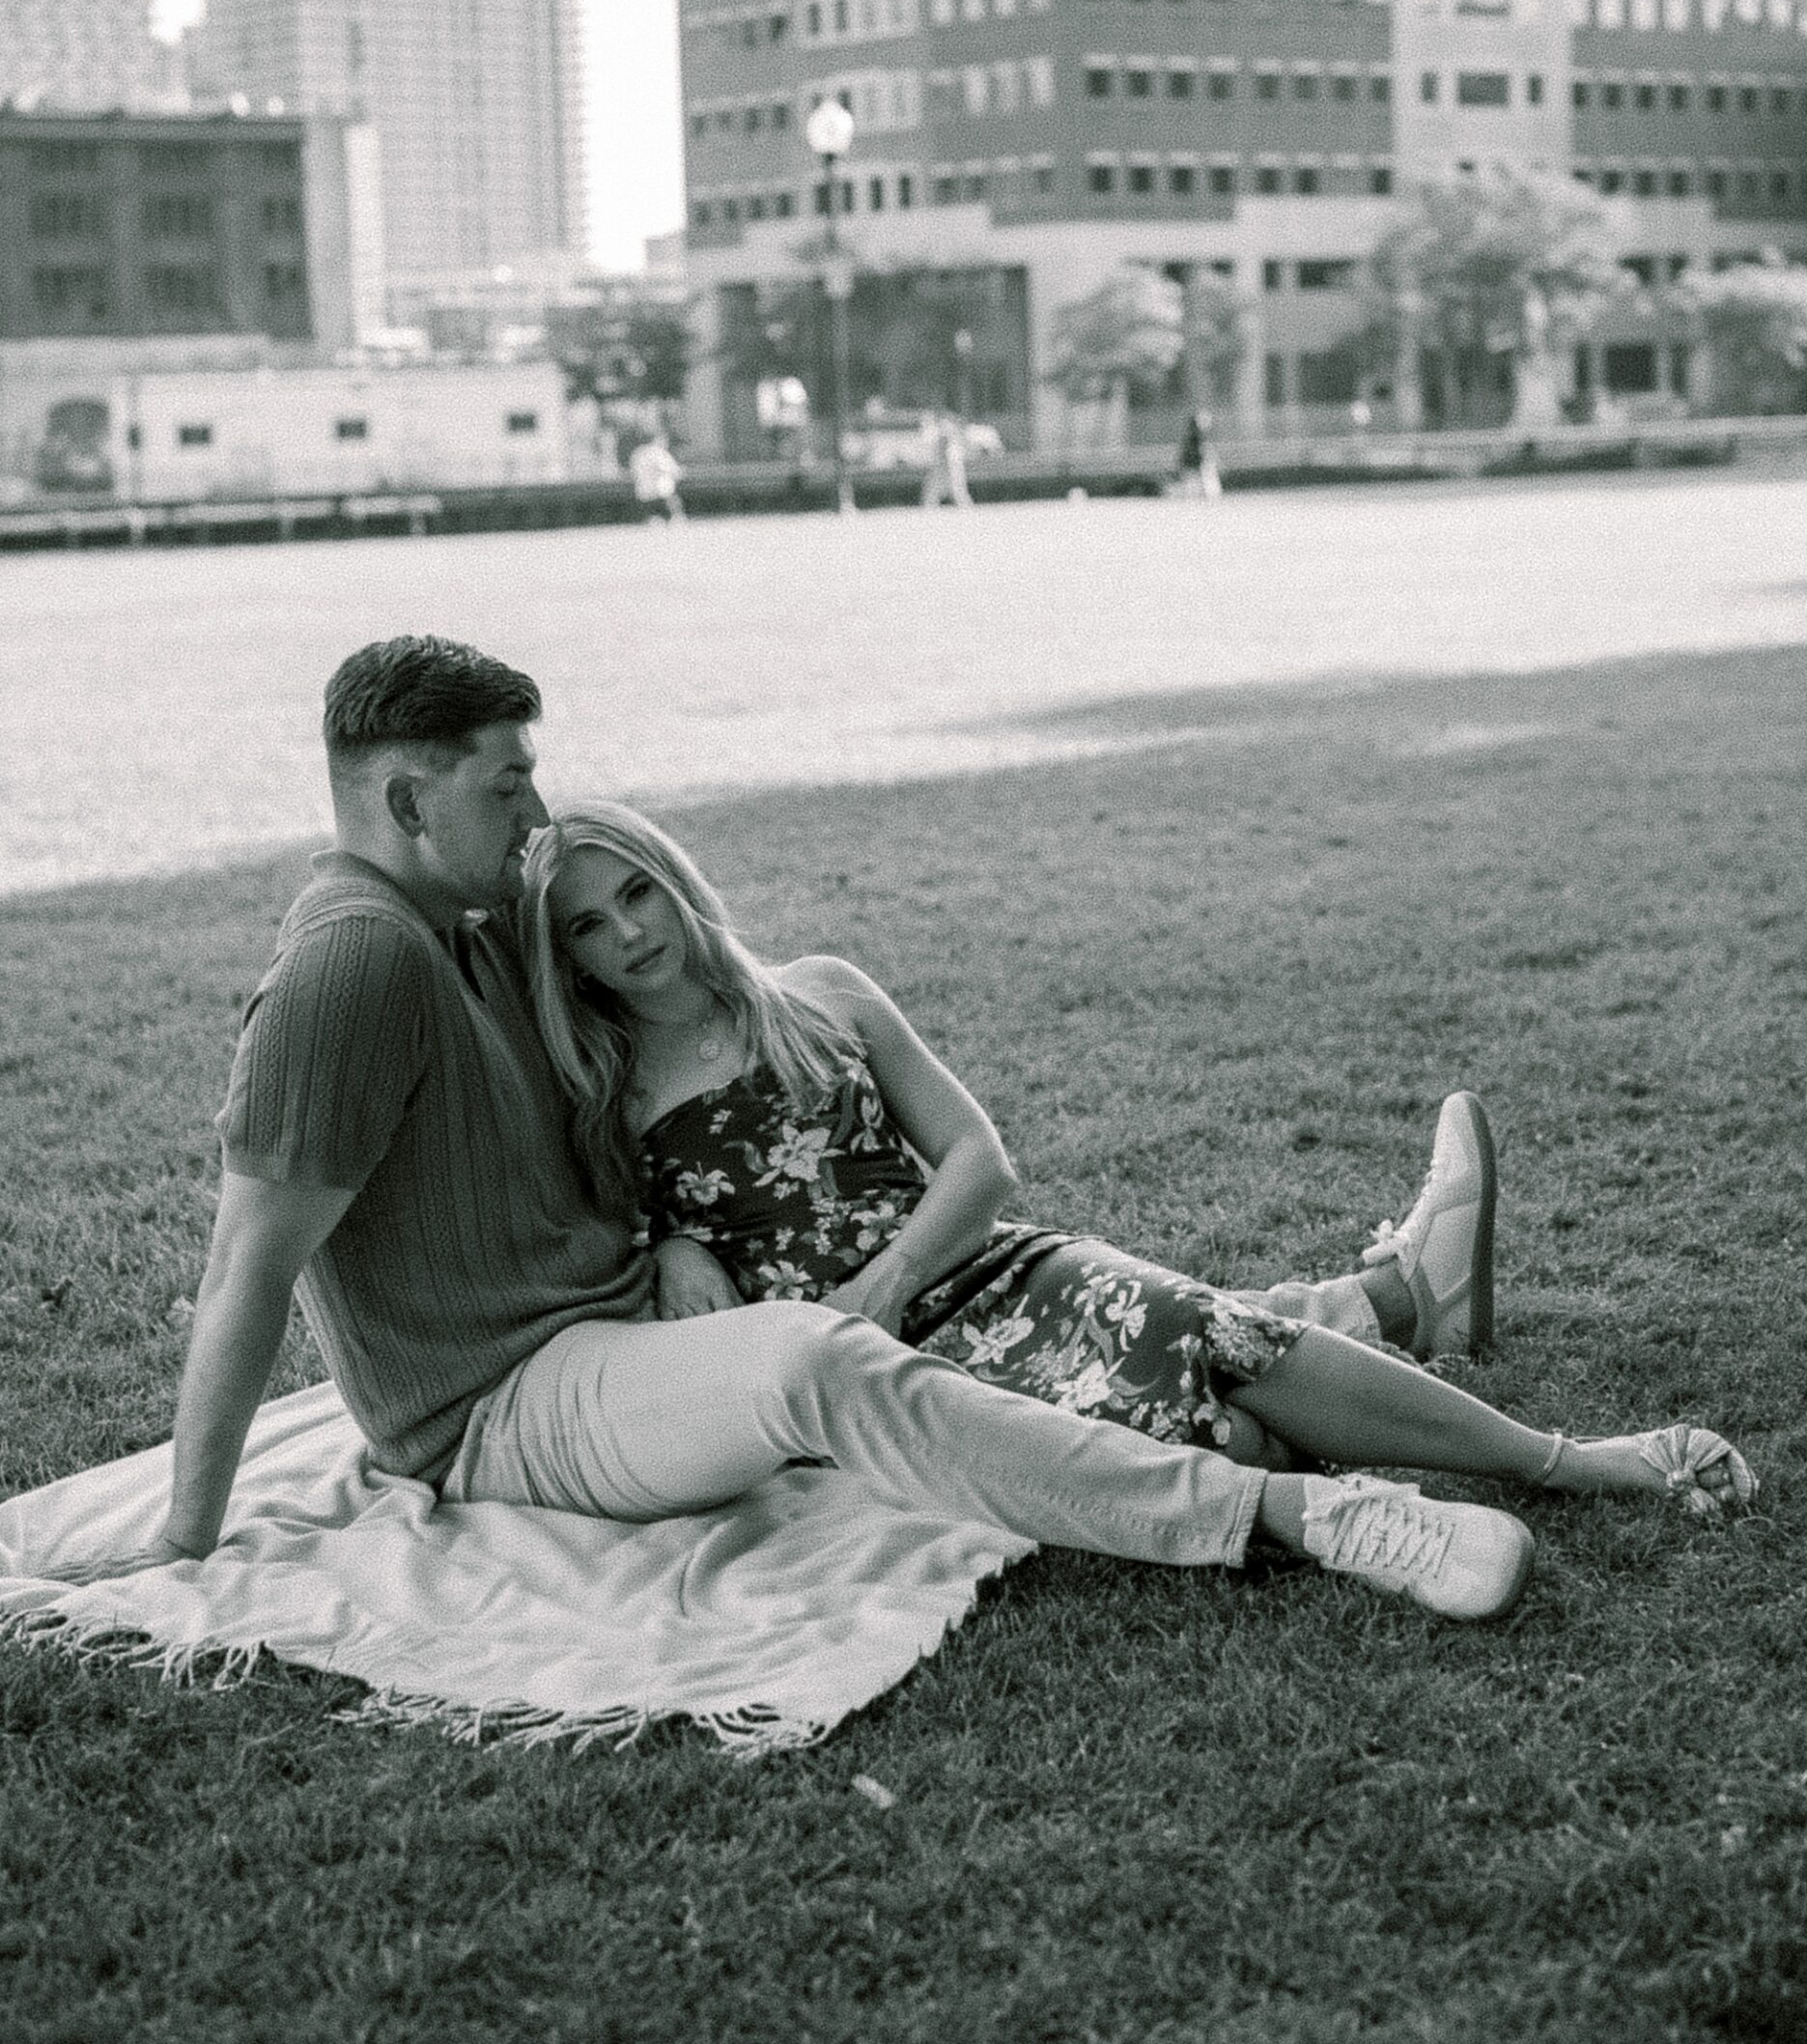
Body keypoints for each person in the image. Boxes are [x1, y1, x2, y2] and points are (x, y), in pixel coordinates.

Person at [134, 639, 1754, 1635]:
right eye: (506, 786)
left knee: (1185, 1332)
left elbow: (603, 1098)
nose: (540, 812)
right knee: (817, 1363)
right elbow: (246, 1268)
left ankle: (1420, 1334)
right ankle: (1312, 1501)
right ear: (411, 806)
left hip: (645, 1328)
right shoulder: (355, 957)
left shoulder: (483, 922)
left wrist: (670, 1248)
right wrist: (186, 1545)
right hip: (498, 1408)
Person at [517, 800, 1758, 1594]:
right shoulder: (603, 1101)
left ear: (676, 881)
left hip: (985, 1270)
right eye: (585, 925)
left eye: (637, 892)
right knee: (1234, 1441)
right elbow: (628, 1272)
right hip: (872, 1378)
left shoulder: (821, 993)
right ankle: (1390, 1355)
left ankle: (1566, 1462)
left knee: (1215, 1329)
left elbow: (979, 1158)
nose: (627, 934)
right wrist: (676, 1239)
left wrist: (882, 1284)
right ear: (563, 959)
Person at [628, 431, 685, 524]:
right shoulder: (658, 451)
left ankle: (653, 518)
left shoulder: (637, 452)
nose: (665, 442)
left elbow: (632, 471)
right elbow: (671, 470)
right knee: (669, 494)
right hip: (657, 485)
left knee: (651, 501)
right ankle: (676, 516)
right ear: (656, 439)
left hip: (643, 488)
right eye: (663, 440)